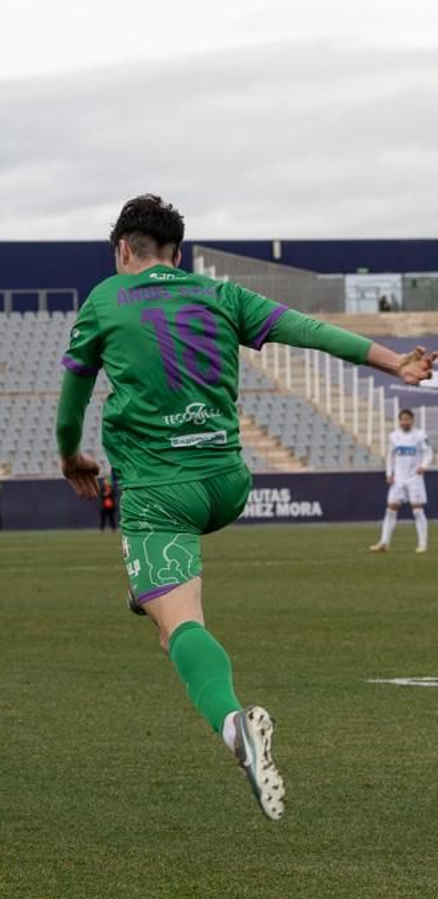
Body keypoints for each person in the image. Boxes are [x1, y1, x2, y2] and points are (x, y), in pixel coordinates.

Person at [56, 194, 435, 822]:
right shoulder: (219, 295)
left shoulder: (103, 300)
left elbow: (73, 398)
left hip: (160, 492)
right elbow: (307, 331)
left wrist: (71, 458)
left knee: (181, 624)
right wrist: (396, 360)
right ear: (178, 254)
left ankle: (235, 727)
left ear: (124, 249)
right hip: (228, 483)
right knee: (161, 613)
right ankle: (148, 590)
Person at [369, 408, 431, 553]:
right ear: (399, 421)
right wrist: (389, 473)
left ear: (412, 420)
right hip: (398, 478)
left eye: (407, 419)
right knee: (391, 509)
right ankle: (384, 542)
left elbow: (429, 453)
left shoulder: (420, 435)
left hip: (414, 477)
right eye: (402, 419)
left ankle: (422, 544)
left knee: (417, 510)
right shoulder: (394, 436)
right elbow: (390, 456)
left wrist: (423, 466)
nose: (405, 422)